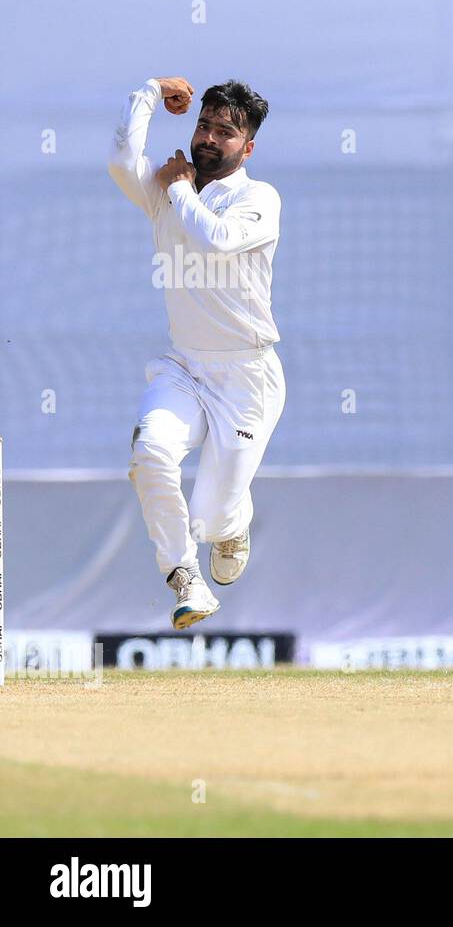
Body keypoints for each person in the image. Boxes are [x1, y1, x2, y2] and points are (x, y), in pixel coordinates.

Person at [109, 77, 285, 629]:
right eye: (204, 126)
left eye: (225, 132)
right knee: (150, 454)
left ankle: (231, 523)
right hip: (184, 367)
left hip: (247, 375)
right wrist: (150, 92)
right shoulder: (164, 190)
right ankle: (184, 577)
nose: (209, 138)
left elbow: (217, 239)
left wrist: (181, 186)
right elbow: (121, 158)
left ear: (247, 147)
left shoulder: (258, 198)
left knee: (210, 517)